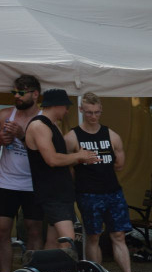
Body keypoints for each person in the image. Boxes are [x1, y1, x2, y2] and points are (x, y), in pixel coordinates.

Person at [64, 93, 141, 272]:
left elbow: (120, 164)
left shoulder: (111, 135)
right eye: (89, 112)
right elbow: (65, 166)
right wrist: (80, 161)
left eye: (97, 112)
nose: (93, 116)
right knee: (93, 236)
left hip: (112, 192)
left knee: (119, 235)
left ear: (101, 111)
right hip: (88, 193)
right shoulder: (72, 137)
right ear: (81, 110)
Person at [24, 89, 101, 249]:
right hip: (52, 193)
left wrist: (79, 158)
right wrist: (79, 156)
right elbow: (52, 159)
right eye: (66, 107)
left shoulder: (54, 126)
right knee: (68, 239)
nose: (67, 110)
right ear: (57, 105)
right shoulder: (39, 126)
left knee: (54, 241)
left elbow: (62, 157)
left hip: (61, 191)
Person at [0, 75, 44, 272]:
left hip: (34, 183)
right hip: (6, 181)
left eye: (21, 92)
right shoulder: (5, 115)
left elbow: (50, 152)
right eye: (14, 92)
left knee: (34, 230)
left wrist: (22, 135)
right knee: (2, 230)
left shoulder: (44, 119)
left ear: (35, 94)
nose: (16, 96)